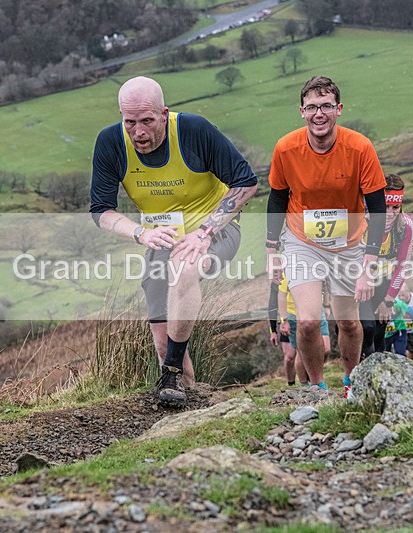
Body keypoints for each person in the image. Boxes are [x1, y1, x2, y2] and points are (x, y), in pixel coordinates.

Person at [90, 76, 258, 407]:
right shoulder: (110, 143)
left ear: (164, 113)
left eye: (147, 121)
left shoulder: (195, 131)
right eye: (130, 122)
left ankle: (170, 373)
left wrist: (204, 232)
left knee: (185, 268)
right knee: (163, 342)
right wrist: (141, 233)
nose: (139, 132)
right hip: (159, 238)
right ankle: (186, 400)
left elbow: (246, 182)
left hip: (214, 230)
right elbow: (101, 211)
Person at [266, 75, 387, 397]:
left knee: (348, 323)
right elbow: (277, 198)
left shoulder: (360, 147)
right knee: (307, 322)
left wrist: (369, 264)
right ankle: (317, 387)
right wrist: (271, 249)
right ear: (302, 112)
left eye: (326, 106)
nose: (319, 114)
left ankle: (350, 382)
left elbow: (377, 207)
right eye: (311, 108)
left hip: (348, 244)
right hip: (301, 242)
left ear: (339, 109)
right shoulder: (286, 148)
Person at [359, 173, 413, 359]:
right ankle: (356, 372)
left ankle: (380, 373)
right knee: (366, 328)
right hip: (359, 280)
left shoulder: (405, 226)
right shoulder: (362, 221)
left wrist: (388, 301)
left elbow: (402, 266)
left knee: (378, 333)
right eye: (385, 207)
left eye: (395, 207)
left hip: (384, 284)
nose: (390, 213)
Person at [277, 272, 330, 386]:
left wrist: (326, 305)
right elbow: (282, 295)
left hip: (317, 309)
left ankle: (315, 377)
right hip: (294, 314)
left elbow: (325, 285)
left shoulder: (317, 266)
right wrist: (284, 320)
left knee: (326, 349)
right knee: (302, 353)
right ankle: (305, 385)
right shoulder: (290, 269)